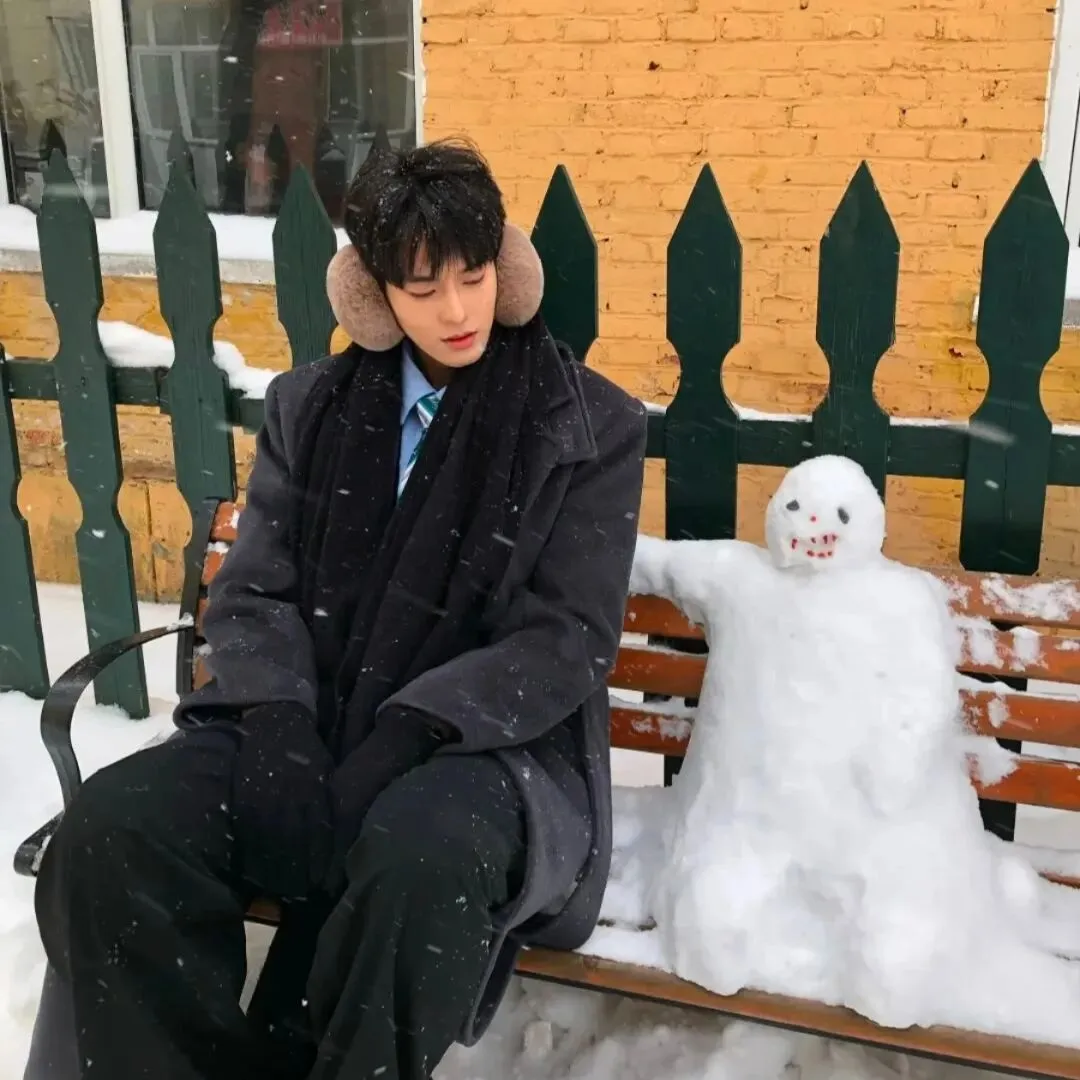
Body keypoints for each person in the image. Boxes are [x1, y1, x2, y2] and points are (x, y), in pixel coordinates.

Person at [31, 139, 648, 1080]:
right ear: (373, 293)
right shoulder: (310, 407)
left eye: (474, 278)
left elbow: (566, 636)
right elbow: (255, 590)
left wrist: (411, 730)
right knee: (115, 835)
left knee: (418, 862)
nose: (456, 312)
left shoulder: (589, 426)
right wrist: (277, 722)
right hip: (303, 715)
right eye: (421, 287)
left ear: (509, 271)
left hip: (490, 750)